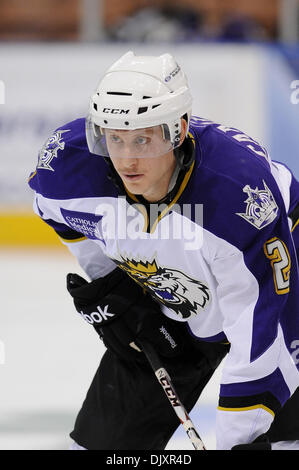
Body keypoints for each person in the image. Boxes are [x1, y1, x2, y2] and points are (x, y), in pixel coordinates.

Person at [28, 51, 299, 450]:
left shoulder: (235, 196)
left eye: (142, 138)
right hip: (170, 296)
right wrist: (114, 283)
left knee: (280, 439)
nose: (126, 158)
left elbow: (257, 324)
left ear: (178, 130)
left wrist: (239, 439)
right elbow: (56, 213)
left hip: (280, 282)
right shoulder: (70, 168)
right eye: (114, 138)